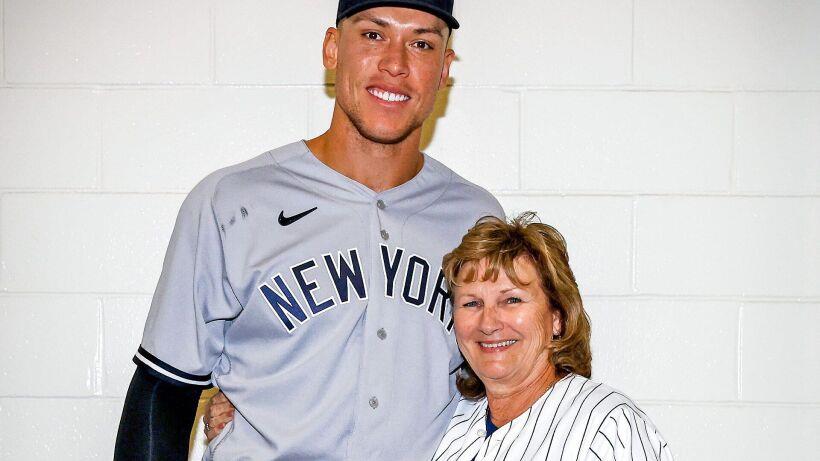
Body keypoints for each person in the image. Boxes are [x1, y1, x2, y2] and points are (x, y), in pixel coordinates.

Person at [113, 1, 504, 460]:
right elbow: (164, 390)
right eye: (373, 35)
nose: (396, 63)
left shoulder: (477, 219)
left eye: (421, 44)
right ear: (332, 48)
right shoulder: (232, 201)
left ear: (444, 70)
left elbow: (513, 377)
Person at [207, 213, 675, 460]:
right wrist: (253, 411)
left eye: (512, 300)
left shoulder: (604, 426)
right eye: (471, 303)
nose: (489, 322)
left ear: (556, 316)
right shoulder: (454, 428)